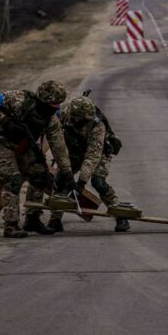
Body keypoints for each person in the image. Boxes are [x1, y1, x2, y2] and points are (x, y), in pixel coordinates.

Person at [0, 81, 75, 238]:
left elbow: (59, 147)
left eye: (58, 105)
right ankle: (11, 225)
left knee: (40, 174)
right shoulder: (18, 99)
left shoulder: (50, 120)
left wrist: (67, 172)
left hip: (24, 142)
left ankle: (33, 219)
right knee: (13, 178)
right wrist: (5, 121)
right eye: (53, 105)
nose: (56, 108)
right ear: (43, 101)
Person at [47, 96, 129, 233]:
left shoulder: (97, 124)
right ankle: (55, 219)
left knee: (98, 182)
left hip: (100, 152)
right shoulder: (65, 115)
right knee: (61, 179)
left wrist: (81, 183)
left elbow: (92, 156)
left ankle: (121, 216)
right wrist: (66, 171)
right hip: (75, 150)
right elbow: (55, 138)